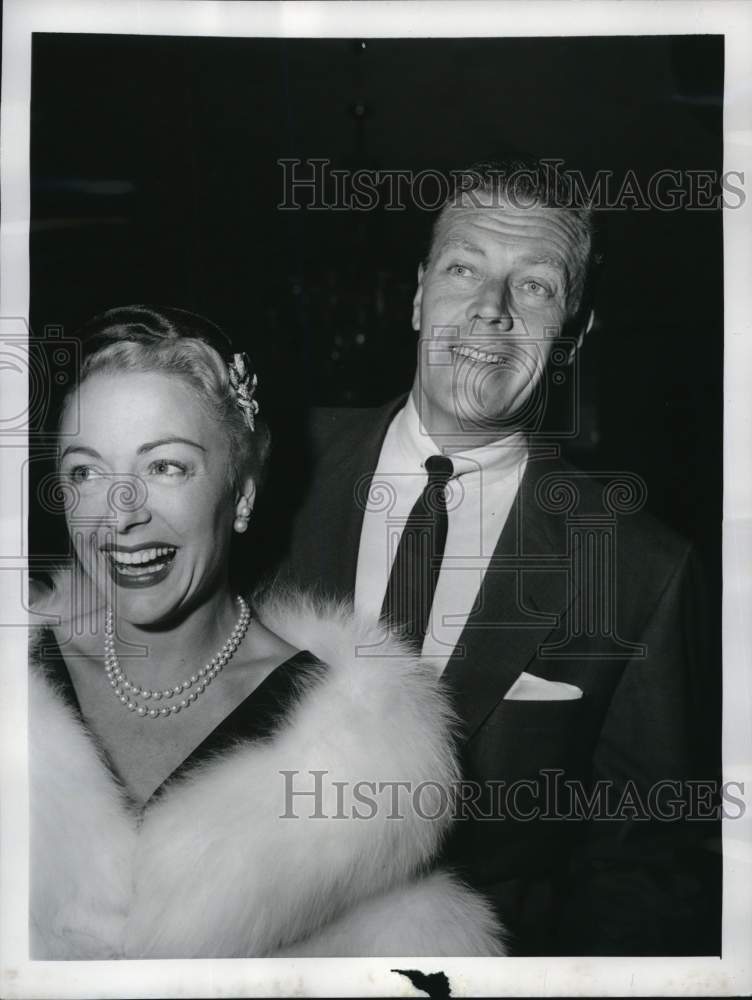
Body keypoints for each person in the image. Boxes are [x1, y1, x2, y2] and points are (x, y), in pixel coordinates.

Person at [271, 160, 720, 956]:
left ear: (575, 332)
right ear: (419, 296)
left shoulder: (642, 570)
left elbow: (643, 868)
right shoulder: (269, 470)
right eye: (463, 269)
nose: (490, 308)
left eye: (535, 286)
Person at [28, 304, 506, 960]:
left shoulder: (351, 757)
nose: (120, 514)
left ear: (244, 490)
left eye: (166, 467)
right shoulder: (20, 681)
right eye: (86, 471)